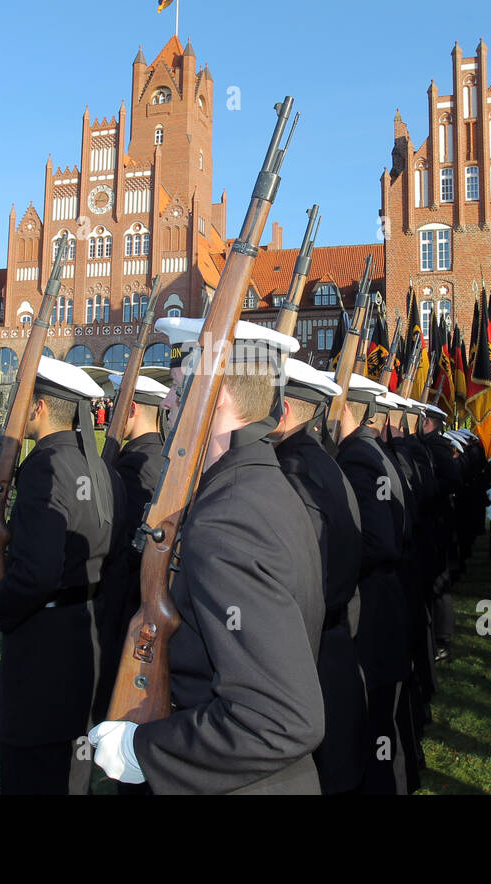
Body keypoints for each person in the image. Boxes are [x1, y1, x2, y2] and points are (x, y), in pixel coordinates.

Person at [89, 317, 325, 794]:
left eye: (178, 387)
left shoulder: (228, 517)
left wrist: (143, 749)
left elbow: (279, 718)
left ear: (212, 394)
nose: (169, 402)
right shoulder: (260, 486)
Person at [0, 356, 121, 795]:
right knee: (72, 775)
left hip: (42, 654)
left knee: (33, 775)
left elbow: (37, 575)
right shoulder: (95, 464)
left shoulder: (45, 466)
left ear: (39, 407)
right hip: (85, 641)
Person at [269, 357, 368, 795]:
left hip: (310, 656)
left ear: (283, 412)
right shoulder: (320, 461)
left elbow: (298, 582)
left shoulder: (292, 472)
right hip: (332, 644)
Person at [333, 372, 412, 794]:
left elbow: (378, 540)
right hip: (384, 606)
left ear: (345, 407)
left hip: (374, 611)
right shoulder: (368, 450)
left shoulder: (358, 457)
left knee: (375, 733)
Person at [95, 372, 169, 722]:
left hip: (125, 601)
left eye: (116, 406)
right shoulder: (158, 457)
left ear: (132, 408)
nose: (110, 413)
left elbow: (124, 544)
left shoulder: (134, 466)